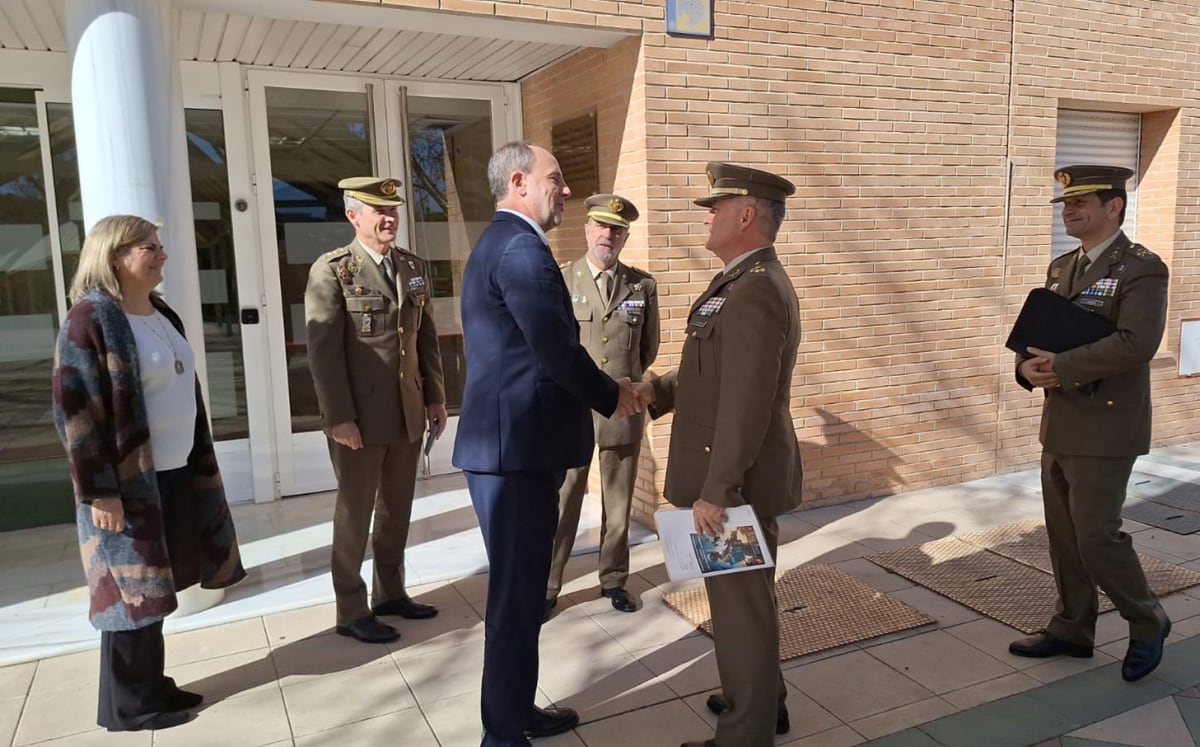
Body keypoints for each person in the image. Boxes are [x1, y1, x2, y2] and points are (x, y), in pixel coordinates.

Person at [452, 142, 645, 747]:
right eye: (555, 179)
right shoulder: (519, 250)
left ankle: (516, 711)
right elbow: (556, 353)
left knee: (522, 590)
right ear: (519, 182)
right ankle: (503, 735)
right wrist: (615, 395)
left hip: (513, 448)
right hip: (513, 455)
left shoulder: (508, 244)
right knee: (514, 600)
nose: (564, 189)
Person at [52, 214, 246, 732]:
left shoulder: (160, 311)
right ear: (116, 256)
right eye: (149, 247)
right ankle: (127, 706)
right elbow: (76, 413)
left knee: (157, 589)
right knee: (128, 595)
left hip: (176, 471)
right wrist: (100, 493)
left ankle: (152, 685)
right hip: (125, 485)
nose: (161, 255)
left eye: (160, 245)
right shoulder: (90, 319)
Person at [643, 162, 803, 747]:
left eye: (716, 207)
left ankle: (746, 732)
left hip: (735, 487)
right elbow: (709, 373)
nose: (706, 216)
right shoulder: (740, 283)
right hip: (729, 480)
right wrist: (653, 392)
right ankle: (765, 702)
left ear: (746, 215)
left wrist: (719, 489)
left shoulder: (756, 289)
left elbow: (746, 403)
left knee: (741, 613)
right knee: (743, 607)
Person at [1009, 164, 1172, 682]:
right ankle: (1072, 628)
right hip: (1061, 422)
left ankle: (1147, 621)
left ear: (1114, 207)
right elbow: (1047, 334)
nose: (1070, 212)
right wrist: (1026, 368)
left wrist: (1060, 368)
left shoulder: (1142, 268)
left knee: (1097, 536)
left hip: (1106, 425)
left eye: (1081, 203)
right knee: (1063, 534)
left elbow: (1136, 344)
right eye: (1065, 205)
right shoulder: (1063, 267)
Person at [304, 176, 448, 644]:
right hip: (359, 422)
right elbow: (324, 354)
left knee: (396, 511)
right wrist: (337, 417)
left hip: (406, 413)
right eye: (377, 211)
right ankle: (350, 608)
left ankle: (391, 593)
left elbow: (425, 339)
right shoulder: (333, 270)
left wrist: (435, 398)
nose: (389, 219)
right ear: (353, 216)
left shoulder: (413, 267)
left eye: (393, 211)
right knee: (355, 515)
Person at [545, 193, 659, 620]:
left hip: (621, 408)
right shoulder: (562, 279)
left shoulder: (642, 286)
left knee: (618, 503)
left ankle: (613, 579)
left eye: (617, 229)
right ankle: (548, 584)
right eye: (601, 226)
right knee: (563, 500)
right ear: (587, 229)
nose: (607, 235)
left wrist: (624, 390)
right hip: (571, 409)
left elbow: (646, 350)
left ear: (625, 236)